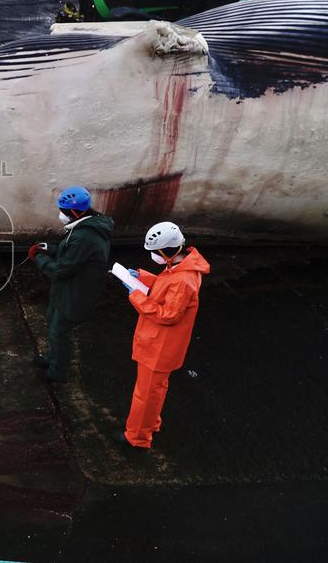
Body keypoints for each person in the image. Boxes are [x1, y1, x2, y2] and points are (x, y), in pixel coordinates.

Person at [115, 221, 210, 450]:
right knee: (155, 389)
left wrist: (136, 295)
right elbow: (164, 287)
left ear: (164, 252)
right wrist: (142, 276)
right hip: (162, 346)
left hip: (159, 346)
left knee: (145, 394)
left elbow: (168, 314)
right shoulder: (182, 268)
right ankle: (149, 424)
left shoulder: (183, 278)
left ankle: (137, 438)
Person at [28, 186, 114, 383]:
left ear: (75, 212)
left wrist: (39, 259)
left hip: (76, 293)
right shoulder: (83, 227)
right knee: (52, 323)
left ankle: (57, 373)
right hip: (67, 290)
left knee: (60, 332)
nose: (61, 215)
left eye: (64, 211)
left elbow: (61, 270)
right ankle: (51, 359)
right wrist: (47, 248)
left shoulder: (85, 236)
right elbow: (68, 251)